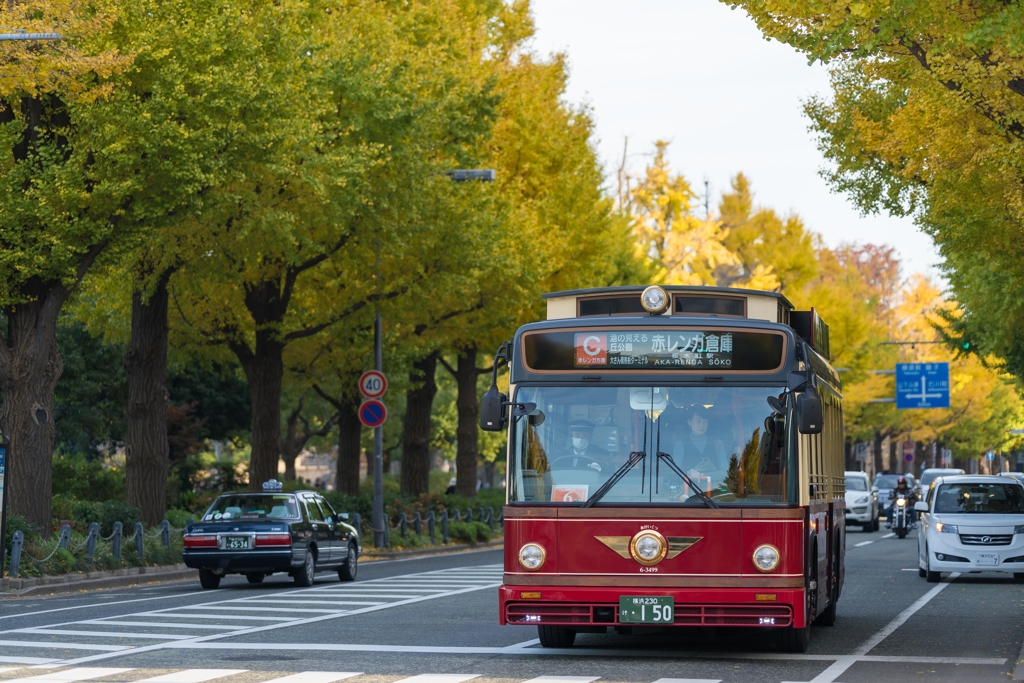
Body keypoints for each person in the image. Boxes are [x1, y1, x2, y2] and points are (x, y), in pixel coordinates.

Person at [673, 406, 727, 487]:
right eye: (698, 421)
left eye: (705, 421)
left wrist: (701, 475)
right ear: (689, 422)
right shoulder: (680, 446)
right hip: (690, 494)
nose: (702, 425)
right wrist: (689, 475)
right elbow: (677, 476)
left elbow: (725, 473)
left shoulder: (717, 443)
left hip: (714, 495)